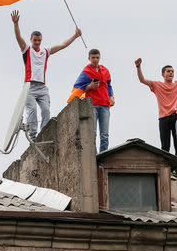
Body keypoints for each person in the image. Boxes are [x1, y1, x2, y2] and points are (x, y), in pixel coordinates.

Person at [11, 10, 81, 140]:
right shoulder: (27, 50)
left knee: (46, 111)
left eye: (39, 40)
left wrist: (75, 36)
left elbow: (62, 45)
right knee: (32, 111)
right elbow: (18, 37)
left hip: (42, 88)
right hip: (30, 87)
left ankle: (43, 134)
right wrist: (16, 24)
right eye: (35, 40)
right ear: (31, 40)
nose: (37, 42)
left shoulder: (45, 51)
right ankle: (33, 136)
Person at [68, 48, 114, 152]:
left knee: (105, 135)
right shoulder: (86, 71)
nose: (95, 60)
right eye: (93, 58)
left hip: (105, 105)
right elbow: (77, 87)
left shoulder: (106, 71)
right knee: (92, 133)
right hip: (92, 105)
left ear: (100, 58)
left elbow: (109, 86)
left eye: (97, 57)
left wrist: (111, 97)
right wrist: (90, 86)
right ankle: (94, 156)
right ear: (89, 58)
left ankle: (103, 155)